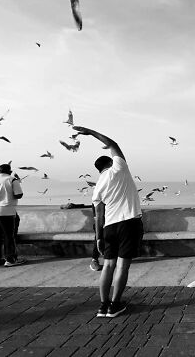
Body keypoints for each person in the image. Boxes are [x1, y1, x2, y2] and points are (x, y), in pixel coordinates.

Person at [73, 125, 144, 319]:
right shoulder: (119, 168)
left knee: (108, 266)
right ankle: (115, 304)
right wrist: (89, 132)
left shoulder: (98, 188)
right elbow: (113, 143)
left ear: (98, 170)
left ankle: (103, 306)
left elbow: (99, 216)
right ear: (110, 162)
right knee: (122, 266)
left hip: (108, 228)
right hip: (128, 223)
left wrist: (98, 238)